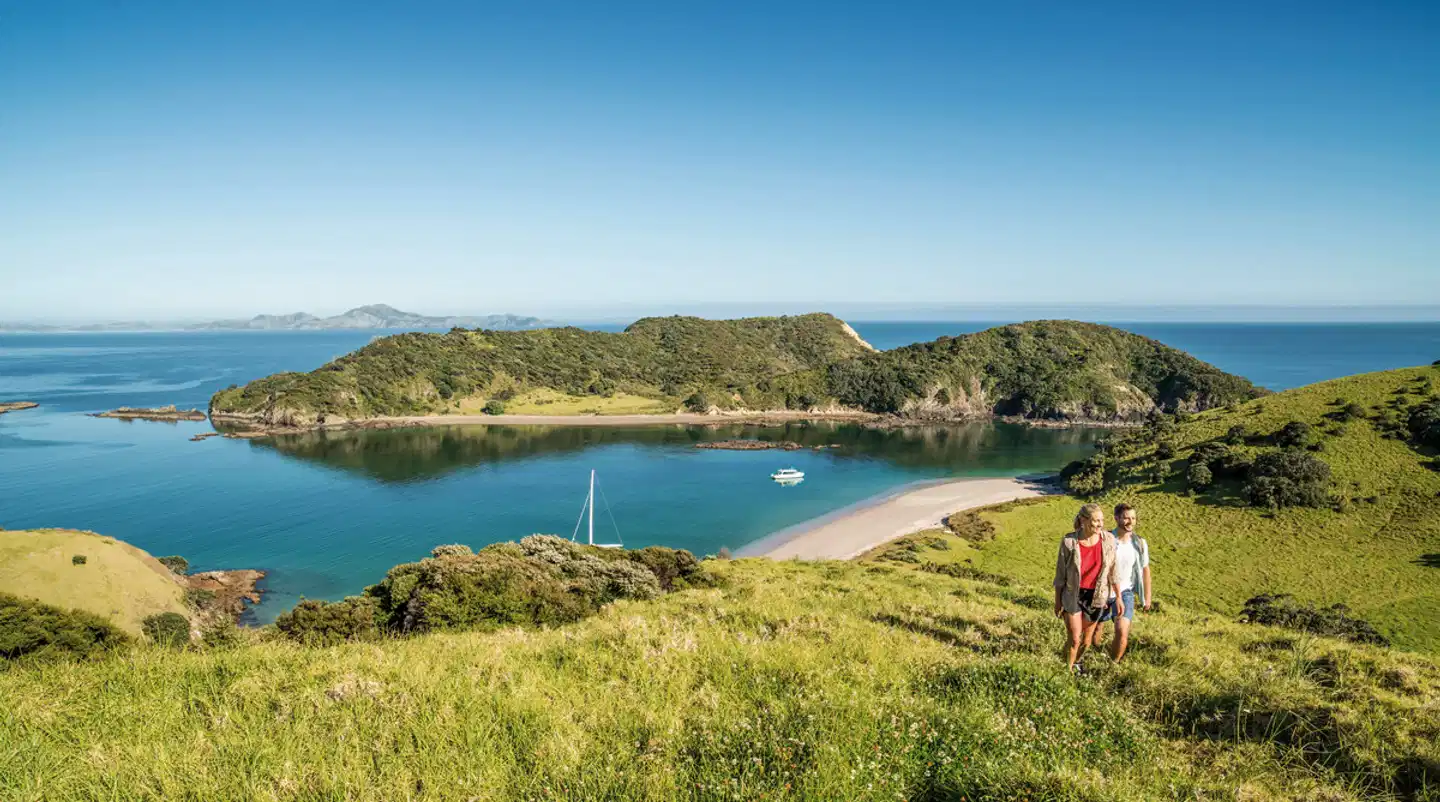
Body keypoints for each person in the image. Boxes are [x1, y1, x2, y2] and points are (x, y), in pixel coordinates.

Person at [1052, 502, 1122, 673]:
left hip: (1097, 595)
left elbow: (1113, 570)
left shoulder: (1109, 540)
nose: (1100, 524)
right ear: (1083, 520)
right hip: (1073, 594)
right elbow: (1060, 574)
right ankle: (1065, 673)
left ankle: (1070, 662)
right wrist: (1057, 601)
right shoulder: (1069, 542)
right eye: (1096, 521)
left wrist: (1118, 597)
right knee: (1075, 639)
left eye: (1102, 521)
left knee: (1086, 642)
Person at [1090, 502, 1151, 662]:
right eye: (1126, 518)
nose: (1130, 521)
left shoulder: (1139, 543)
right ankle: (1093, 653)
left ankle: (1113, 664)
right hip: (1103, 591)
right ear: (1116, 518)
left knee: (1122, 630)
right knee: (1097, 629)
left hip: (1125, 592)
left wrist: (1147, 597)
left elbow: (1145, 570)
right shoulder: (1105, 539)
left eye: (1133, 518)